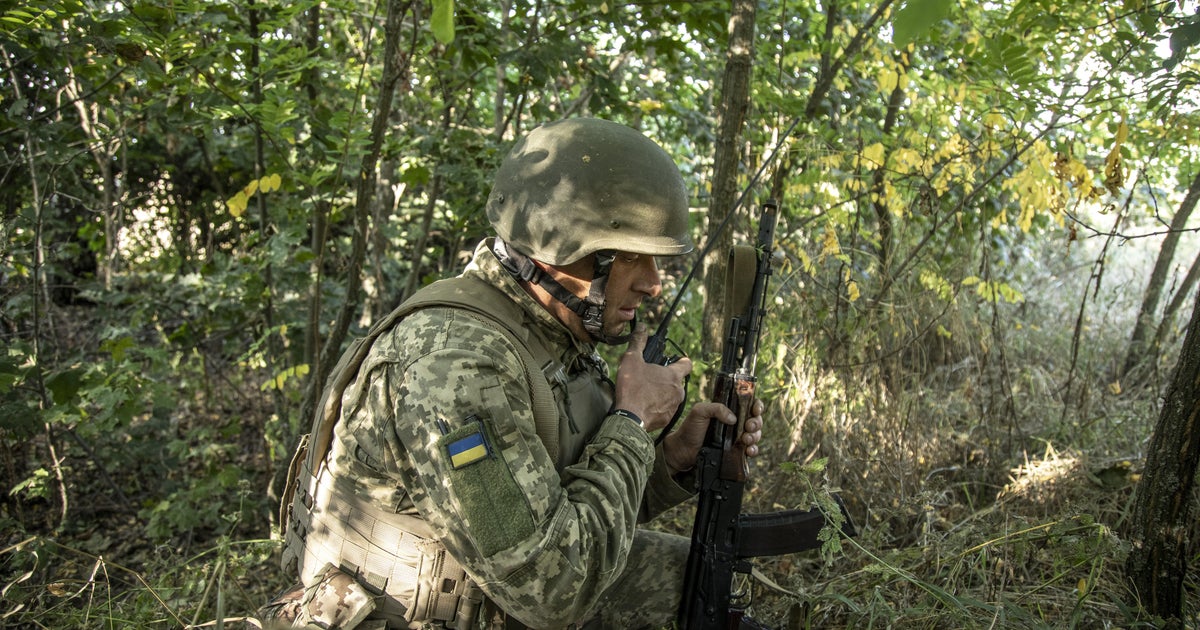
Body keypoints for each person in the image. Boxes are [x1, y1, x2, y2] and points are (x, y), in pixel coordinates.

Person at [261, 117, 764, 629]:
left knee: (708, 584)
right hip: (410, 614)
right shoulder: (456, 364)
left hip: (489, 590)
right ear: (561, 252)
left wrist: (672, 459)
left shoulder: (548, 332)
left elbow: (569, 509)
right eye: (634, 259)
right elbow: (553, 588)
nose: (654, 285)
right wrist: (631, 424)